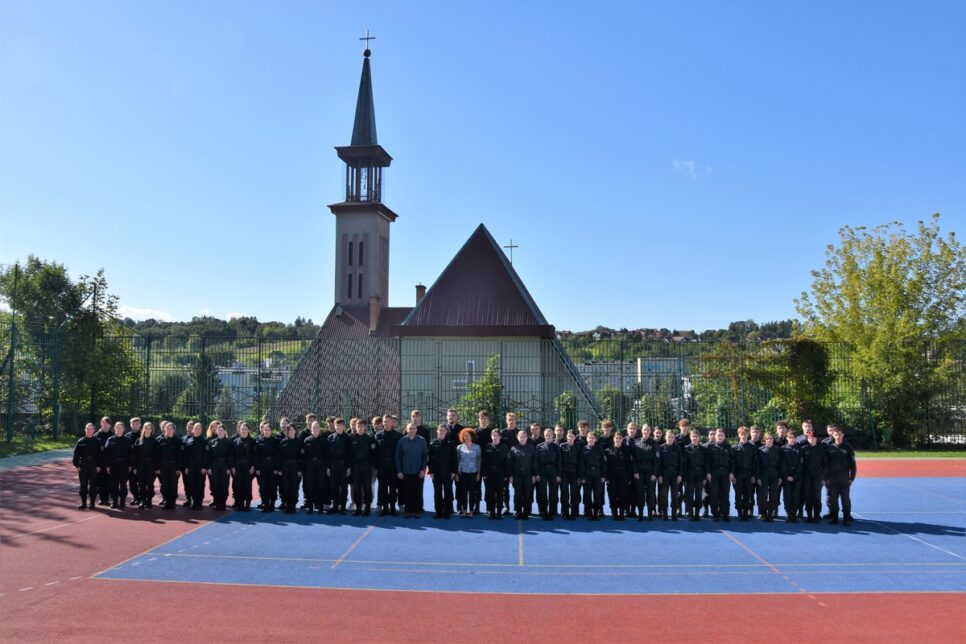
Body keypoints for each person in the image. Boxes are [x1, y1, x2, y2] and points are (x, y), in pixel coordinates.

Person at [395, 422, 428, 518]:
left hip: (418, 471)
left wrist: (423, 470)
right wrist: (399, 471)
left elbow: (424, 456)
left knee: (417, 491)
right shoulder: (402, 441)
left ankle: (417, 510)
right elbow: (398, 457)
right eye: (410, 428)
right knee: (407, 491)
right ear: (406, 430)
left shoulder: (422, 440)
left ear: (416, 430)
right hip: (405, 471)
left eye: (414, 428)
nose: (412, 430)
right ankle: (408, 510)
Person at [825, 425, 857, 525]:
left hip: (844, 479)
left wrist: (852, 478)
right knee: (833, 500)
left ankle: (846, 518)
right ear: (833, 435)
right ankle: (834, 518)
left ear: (843, 435)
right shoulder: (829, 448)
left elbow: (853, 465)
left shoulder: (848, 448)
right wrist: (826, 478)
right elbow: (826, 465)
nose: (838, 436)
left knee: (845, 500)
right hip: (832, 479)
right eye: (836, 435)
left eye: (839, 434)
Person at [374, 414, 402, 516]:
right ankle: (385, 508)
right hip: (382, 466)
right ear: (383, 423)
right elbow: (375, 452)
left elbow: (400, 453)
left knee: (393, 488)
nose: (386, 423)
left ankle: (393, 508)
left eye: (388, 421)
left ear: (392, 423)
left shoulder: (398, 436)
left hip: (393, 466)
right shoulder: (378, 435)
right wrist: (376, 466)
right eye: (384, 421)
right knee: (383, 488)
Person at [428, 424, 457, 518]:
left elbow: (454, 459)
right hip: (436, 473)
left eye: (443, 430)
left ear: (446, 432)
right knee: (437, 493)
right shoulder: (433, 443)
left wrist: (454, 471)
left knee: (448, 493)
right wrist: (431, 472)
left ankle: (447, 512)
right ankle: (439, 512)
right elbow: (430, 460)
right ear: (437, 431)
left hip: (448, 472)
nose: (441, 432)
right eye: (440, 430)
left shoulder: (450, 443)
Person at [630, 424, 659, 520]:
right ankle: (641, 514)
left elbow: (657, 460)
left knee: (651, 493)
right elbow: (633, 459)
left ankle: (650, 514)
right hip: (639, 472)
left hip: (650, 472)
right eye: (644, 430)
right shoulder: (636, 442)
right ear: (641, 431)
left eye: (648, 430)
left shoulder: (654, 443)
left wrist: (654, 473)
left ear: (650, 431)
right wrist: (635, 471)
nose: (646, 431)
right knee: (640, 493)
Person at [349, 418, 375, 516]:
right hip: (355, 467)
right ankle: (358, 508)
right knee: (357, 488)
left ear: (365, 427)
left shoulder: (369, 439)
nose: (360, 428)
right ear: (355, 427)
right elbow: (349, 454)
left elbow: (373, 454)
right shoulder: (351, 439)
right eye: (358, 426)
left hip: (366, 467)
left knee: (367, 488)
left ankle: (367, 508)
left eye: (362, 426)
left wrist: (371, 465)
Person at [72, 422, 102, 510]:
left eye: (91, 429)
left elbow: (100, 455)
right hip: (83, 466)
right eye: (88, 429)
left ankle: (92, 504)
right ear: (85, 430)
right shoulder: (80, 441)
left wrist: (99, 466)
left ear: (94, 430)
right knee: (83, 485)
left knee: (93, 485)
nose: (89, 430)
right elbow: (76, 455)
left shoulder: (97, 441)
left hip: (94, 465)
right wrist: (77, 466)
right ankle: (83, 503)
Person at [482, 428, 510, 520]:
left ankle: (498, 513)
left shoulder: (505, 447)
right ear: (491, 436)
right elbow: (483, 461)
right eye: (493, 435)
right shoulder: (487, 446)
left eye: (497, 436)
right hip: (489, 473)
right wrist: (484, 473)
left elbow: (507, 462)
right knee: (490, 493)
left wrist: (506, 475)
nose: (495, 437)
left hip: (500, 473)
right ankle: (491, 512)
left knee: (500, 493)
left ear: (500, 437)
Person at [732, 426, 758, 521]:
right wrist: (733, 475)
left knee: (748, 495)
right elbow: (732, 463)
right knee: (738, 495)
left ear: (748, 435)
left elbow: (755, 463)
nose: (743, 436)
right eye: (741, 434)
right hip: (738, 474)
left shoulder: (752, 447)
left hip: (748, 474)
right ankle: (739, 513)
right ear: (739, 435)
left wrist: (754, 475)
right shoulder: (734, 448)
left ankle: (746, 513)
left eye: (745, 434)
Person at [707, 429, 734, 521]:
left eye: (722, 435)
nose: (720, 437)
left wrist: (731, 472)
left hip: (725, 473)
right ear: (715, 436)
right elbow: (707, 462)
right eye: (718, 435)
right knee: (714, 494)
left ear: (724, 437)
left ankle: (725, 514)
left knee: (725, 494)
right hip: (714, 473)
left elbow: (732, 461)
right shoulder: (710, 447)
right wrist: (708, 472)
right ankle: (715, 514)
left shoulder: (728, 447)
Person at [508, 429, 536, 519]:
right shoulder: (513, 448)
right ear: (517, 438)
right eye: (520, 437)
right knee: (518, 493)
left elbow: (534, 463)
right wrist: (510, 475)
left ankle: (526, 512)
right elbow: (510, 463)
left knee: (527, 493)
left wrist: (534, 475)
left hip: (528, 473)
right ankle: (517, 511)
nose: (522, 438)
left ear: (527, 438)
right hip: (517, 474)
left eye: (524, 437)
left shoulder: (531, 448)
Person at [104, 421, 132, 509]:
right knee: (113, 484)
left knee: (123, 484)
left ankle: (122, 502)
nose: (119, 430)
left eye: (121, 428)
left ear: (123, 429)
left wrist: (130, 465)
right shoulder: (110, 440)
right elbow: (106, 454)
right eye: (117, 428)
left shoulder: (128, 440)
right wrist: (107, 466)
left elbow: (131, 454)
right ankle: (115, 502)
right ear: (114, 429)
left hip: (124, 465)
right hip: (113, 465)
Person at [535, 428, 562, 520]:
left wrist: (558, 474)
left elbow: (559, 461)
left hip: (553, 471)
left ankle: (552, 512)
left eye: (549, 435)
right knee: (542, 493)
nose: (547, 437)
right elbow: (536, 461)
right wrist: (537, 474)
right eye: (546, 435)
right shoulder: (539, 446)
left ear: (553, 436)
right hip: (542, 471)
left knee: (553, 493)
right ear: (544, 436)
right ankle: (543, 512)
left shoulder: (556, 447)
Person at [800, 431, 827, 523]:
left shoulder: (821, 449)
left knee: (816, 496)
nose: (811, 439)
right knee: (808, 496)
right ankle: (809, 516)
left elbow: (825, 465)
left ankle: (817, 515)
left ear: (816, 439)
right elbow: (801, 464)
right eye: (809, 438)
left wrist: (823, 477)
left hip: (817, 476)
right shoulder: (804, 449)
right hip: (806, 476)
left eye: (812, 438)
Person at [182, 422, 209, 511]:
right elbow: (186, 455)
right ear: (193, 430)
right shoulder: (189, 441)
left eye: (199, 428)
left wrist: (204, 467)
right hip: (191, 466)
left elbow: (206, 455)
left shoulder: (204, 441)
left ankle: (199, 503)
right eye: (196, 428)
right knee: (192, 484)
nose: (197, 430)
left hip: (200, 466)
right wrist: (186, 467)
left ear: (201, 430)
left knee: (200, 484)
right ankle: (194, 502)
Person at [132, 421, 159, 509]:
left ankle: (149, 501)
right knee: (141, 484)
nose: (147, 430)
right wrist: (135, 467)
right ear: (143, 429)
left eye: (149, 428)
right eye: (146, 428)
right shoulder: (138, 440)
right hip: (140, 465)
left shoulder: (155, 441)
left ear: (152, 430)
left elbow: (157, 455)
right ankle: (143, 501)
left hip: (151, 465)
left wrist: (156, 468)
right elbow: (135, 455)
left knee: (150, 484)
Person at [684, 429, 710, 521]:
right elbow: (684, 464)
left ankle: (697, 513)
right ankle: (690, 513)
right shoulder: (686, 449)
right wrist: (684, 477)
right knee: (690, 495)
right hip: (689, 474)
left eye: (696, 436)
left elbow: (706, 464)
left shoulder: (703, 449)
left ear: (699, 438)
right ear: (690, 437)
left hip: (700, 474)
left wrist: (705, 476)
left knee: (699, 496)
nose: (694, 438)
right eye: (693, 436)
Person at [578, 432, 606, 520]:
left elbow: (603, 463)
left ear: (595, 439)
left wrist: (603, 476)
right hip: (587, 475)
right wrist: (582, 477)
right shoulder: (584, 449)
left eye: (593, 438)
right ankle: (589, 513)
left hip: (597, 474)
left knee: (597, 495)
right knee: (587, 495)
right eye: (589, 437)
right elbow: (581, 464)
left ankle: (596, 513)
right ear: (587, 439)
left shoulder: (599, 449)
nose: (591, 439)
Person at [302, 421, 327, 514]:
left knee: (320, 486)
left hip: (320, 465)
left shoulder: (323, 441)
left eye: (317, 427)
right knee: (310, 486)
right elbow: (304, 455)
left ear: (319, 429)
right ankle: (310, 507)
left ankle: (320, 507)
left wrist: (326, 467)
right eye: (313, 427)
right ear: (310, 429)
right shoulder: (307, 440)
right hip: (310, 466)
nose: (315, 429)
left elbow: (326, 456)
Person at [455, 428, 482, 517]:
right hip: (462, 473)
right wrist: (457, 473)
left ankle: (471, 510)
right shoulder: (459, 447)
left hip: (473, 473)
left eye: (468, 436)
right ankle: (464, 510)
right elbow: (457, 461)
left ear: (472, 436)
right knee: (463, 492)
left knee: (472, 492)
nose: (466, 437)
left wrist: (478, 473)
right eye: (465, 436)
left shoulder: (477, 447)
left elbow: (479, 461)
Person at [327, 418, 351, 514]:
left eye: (340, 425)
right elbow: (328, 454)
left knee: (344, 487)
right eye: (337, 425)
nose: (338, 427)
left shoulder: (348, 438)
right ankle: (335, 506)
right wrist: (328, 467)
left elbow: (350, 454)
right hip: (333, 465)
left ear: (344, 426)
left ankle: (343, 507)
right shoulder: (330, 437)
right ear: (335, 426)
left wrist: (349, 467)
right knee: (334, 487)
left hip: (344, 465)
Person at [157, 421, 183, 509]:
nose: (169, 430)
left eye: (171, 428)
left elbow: (180, 455)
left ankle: (172, 503)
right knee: (164, 484)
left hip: (174, 465)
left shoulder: (178, 441)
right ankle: (167, 501)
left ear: (174, 430)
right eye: (167, 428)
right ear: (164, 429)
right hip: (164, 465)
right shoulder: (161, 440)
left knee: (173, 484)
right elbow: (158, 455)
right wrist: (158, 467)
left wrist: (178, 468)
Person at [657, 431, 683, 520]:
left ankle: (674, 514)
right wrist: (659, 475)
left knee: (675, 495)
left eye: (672, 437)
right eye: (668, 437)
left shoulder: (677, 448)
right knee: (663, 495)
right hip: (664, 473)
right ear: (665, 437)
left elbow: (681, 463)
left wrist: (680, 475)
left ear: (674, 438)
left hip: (675, 473)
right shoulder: (661, 448)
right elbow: (658, 463)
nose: (670, 438)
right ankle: (664, 514)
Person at [278, 425, 303, 514]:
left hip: (295, 466)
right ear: (287, 431)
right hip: (285, 466)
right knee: (285, 487)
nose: (291, 431)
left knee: (294, 487)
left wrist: (300, 470)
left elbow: (301, 457)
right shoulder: (283, 442)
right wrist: (279, 469)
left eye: (293, 429)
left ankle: (292, 506)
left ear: (295, 431)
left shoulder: (299, 442)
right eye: (290, 430)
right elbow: (280, 457)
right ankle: (287, 505)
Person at [757, 432, 782, 521]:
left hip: (775, 474)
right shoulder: (760, 450)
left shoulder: (777, 450)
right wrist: (758, 477)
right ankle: (763, 513)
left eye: (771, 438)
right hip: (764, 474)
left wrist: (780, 477)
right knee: (763, 495)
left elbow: (780, 464)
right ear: (765, 440)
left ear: (773, 440)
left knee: (773, 495)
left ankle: (771, 513)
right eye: (767, 439)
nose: (769, 440)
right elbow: (757, 465)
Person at [780, 430, 803, 522]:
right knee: (787, 496)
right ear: (787, 438)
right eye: (790, 438)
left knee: (796, 496)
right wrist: (787, 476)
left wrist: (795, 476)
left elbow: (801, 464)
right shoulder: (782, 449)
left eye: (793, 438)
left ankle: (794, 513)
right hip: (786, 477)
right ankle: (788, 513)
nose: (792, 439)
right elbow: (782, 464)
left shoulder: (800, 449)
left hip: (797, 477)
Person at [557, 429, 581, 520]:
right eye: (569, 436)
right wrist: (559, 474)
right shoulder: (561, 446)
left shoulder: (578, 448)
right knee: (565, 493)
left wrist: (579, 476)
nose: (570, 438)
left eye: (572, 436)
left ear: (575, 437)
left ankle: (574, 513)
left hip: (574, 473)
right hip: (564, 473)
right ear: (566, 436)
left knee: (574, 493)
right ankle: (565, 512)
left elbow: (580, 463)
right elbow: (559, 461)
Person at [207, 422, 231, 511]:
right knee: (215, 485)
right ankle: (217, 503)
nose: (220, 432)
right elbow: (209, 456)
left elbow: (230, 456)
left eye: (221, 430)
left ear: (225, 431)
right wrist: (209, 467)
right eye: (218, 430)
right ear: (216, 431)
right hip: (215, 466)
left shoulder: (229, 442)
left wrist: (229, 467)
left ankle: (223, 504)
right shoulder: (212, 442)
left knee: (224, 485)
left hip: (225, 466)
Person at [500, 412, 520, 514]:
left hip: (517, 465)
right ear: (506, 421)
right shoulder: (502, 433)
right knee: (504, 488)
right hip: (504, 465)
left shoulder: (520, 433)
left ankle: (517, 508)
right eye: (509, 420)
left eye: (513, 420)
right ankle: (506, 507)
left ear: (516, 421)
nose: (511, 422)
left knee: (518, 488)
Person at [94, 416, 113, 506]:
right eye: (103, 423)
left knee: (109, 481)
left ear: (110, 425)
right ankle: (102, 498)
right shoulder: (97, 435)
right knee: (100, 482)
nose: (105, 425)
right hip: (100, 463)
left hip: (109, 463)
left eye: (107, 423)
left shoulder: (113, 435)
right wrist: (96, 464)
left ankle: (107, 498)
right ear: (101, 424)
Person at [125, 417, 143, 506]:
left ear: (140, 425)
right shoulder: (127, 436)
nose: (135, 425)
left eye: (137, 424)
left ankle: (142, 498)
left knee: (141, 482)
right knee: (132, 483)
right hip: (130, 464)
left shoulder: (143, 435)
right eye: (133, 424)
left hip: (141, 463)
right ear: (130, 425)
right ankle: (136, 497)